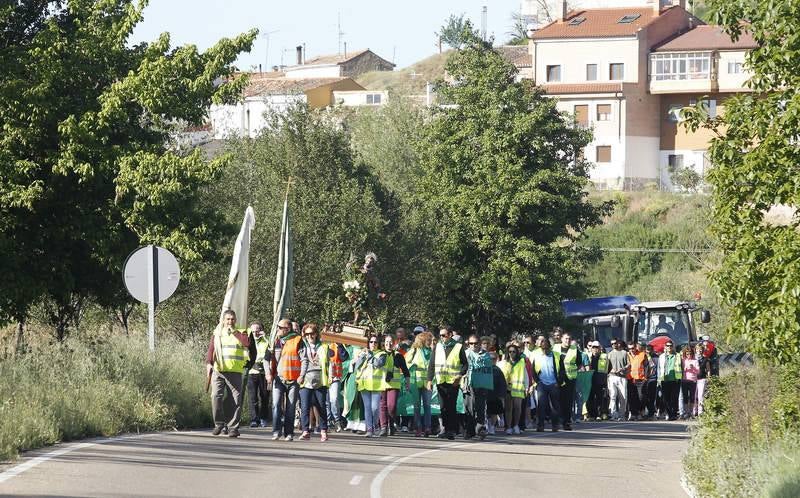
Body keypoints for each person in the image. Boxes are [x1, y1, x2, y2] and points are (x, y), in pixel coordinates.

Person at [206, 310, 250, 438]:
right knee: (216, 397)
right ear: (223, 320)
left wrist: (235, 332)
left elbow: (246, 343)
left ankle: (233, 427)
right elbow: (211, 349)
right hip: (219, 370)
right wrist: (209, 363)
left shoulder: (241, 332)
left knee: (235, 400)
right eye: (227, 319)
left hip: (235, 371)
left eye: (232, 319)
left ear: (235, 320)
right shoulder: (217, 333)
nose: (230, 321)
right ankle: (219, 423)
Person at [427, 326, 467, 440]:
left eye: (444, 335)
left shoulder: (458, 347)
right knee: (443, 407)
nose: (441, 337)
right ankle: (444, 427)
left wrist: (459, 376)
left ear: (450, 335)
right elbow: (432, 364)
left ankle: (451, 430)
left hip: (453, 382)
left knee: (451, 406)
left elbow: (465, 364)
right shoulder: (438, 346)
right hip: (440, 381)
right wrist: (429, 380)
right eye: (440, 335)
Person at [267, 318, 304, 441]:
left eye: (280, 327)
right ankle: (276, 431)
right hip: (279, 378)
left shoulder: (298, 340)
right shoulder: (274, 341)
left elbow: (304, 360)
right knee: (276, 405)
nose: (277, 329)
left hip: (293, 379)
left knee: (291, 407)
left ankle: (289, 433)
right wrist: (268, 373)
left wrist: (302, 375)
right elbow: (266, 358)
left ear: (287, 329)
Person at [297, 323, 332, 441]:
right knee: (305, 406)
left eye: (311, 334)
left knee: (321, 406)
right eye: (307, 334)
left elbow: (329, 363)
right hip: (306, 379)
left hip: (320, 379)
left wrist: (330, 377)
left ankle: (323, 431)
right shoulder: (302, 346)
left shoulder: (324, 347)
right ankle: (306, 430)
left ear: (316, 334)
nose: (309, 336)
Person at [355, 334, 387, 437]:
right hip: (364, 384)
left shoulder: (382, 354)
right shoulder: (363, 353)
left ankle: (375, 426)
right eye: (371, 342)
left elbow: (379, 364)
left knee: (375, 408)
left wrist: (370, 356)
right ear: (368, 343)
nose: (373, 344)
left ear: (378, 344)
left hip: (376, 385)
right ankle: (369, 429)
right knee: (367, 408)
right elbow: (357, 366)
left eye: (375, 342)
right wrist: (362, 356)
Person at [379, 333, 410, 437]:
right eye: (387, 342)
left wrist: (407, 382)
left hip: (394, 384)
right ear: (384, 343)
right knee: (383, 406)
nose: (388, 344)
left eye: (390, 342)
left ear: (394, 343)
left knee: (391, 406)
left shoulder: (398, 355)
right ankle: (384, 427)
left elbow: (406, 371)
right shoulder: (380, 354)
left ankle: (391, 425)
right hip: (381, 384)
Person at [463, 334, 493, 440]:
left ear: (479, 344)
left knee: (480, 407)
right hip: (468, 385)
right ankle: (469, 431)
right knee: (469, 408)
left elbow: (488, 369)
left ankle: (480, 429)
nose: (473, 345)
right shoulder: (465, 354)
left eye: (476, 343)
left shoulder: (486, 355)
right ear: (468, 344)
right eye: (471, 343)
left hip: (481, 385)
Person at [531, 337, 563, 432]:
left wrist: (558, 382)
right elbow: (533, 370)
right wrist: (538, 382)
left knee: (555, 406)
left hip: (554, 384)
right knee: (541, 405)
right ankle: (540, 425)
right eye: (542, 347)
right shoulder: (537, 356)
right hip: (542, 384)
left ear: (549, 346)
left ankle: (555, 425)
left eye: (546, 346)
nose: (544, 349)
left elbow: (562, 370)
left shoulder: (556, 355)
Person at [406, 331, 433, 437]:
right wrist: (413, 365)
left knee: (427, 404)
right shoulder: (414, 350)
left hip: (427, 381)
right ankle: (418, 427)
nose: (430, 342)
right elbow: (406, 363)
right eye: (428, 340)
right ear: (422, 340)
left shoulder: (432, 351)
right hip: (416, 380)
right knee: (417, 405)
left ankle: (427, 427)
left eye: (431, 340)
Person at [553, 332, 581, 430]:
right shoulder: (555, 348)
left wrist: (571, 371)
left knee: (568, 401)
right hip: (557, 377)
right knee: (557, 400)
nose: (567, 340)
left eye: (569, 339)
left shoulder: (575, 349)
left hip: (570, 378)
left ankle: (566, 422)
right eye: (566, 338)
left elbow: (579, 363)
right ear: (561, 339)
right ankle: (557, 421)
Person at [246, 321, 270, 428]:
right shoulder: (248, 341)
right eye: (253, 331)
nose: (255, 333)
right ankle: (254, 419)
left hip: (264, 372)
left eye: (258, 331)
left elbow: (272, 349)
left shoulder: (266, 340)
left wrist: (266, 338)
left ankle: (263, 418)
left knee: (264, 397)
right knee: (253, 397)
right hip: (252, 372)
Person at [607, 338, 630, 421]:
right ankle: (613, 414)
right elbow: (607, 366)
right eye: (612, 344)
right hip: (612, 377)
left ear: (618, 343)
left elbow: (629, 364)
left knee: (623, 397)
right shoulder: (609, 354)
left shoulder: (624, 353)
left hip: (622, 377)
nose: (614, 345)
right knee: (612, 396)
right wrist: (610, 370)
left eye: (615, 343)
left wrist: (622, 368)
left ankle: (622, 415)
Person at [658, 341, 682, 420]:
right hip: (665, 380)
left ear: (673, 346)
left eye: (671, 346)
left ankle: (674, 414)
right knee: (666, 398)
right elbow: (659, 368)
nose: (669, 347)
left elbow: (682, 366)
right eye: (667, 346)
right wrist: (659, 380)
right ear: (665, 347)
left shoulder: (678, 355)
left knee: (674, 398)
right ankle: (669, 413)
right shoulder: (661, 356)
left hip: (675, 379)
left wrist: (681, 377)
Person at [586, 341, 609, 420]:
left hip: (600, 380)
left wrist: (604, 378)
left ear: (600, 348)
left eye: (597, 347)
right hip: (590, 380)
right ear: (591, 349)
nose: (595, 349)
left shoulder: (605, 356)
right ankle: (592, 415)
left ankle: (599, 414)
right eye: (593, 347)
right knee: (590, 398)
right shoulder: (588, 356)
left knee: (600, 398)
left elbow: (609, 367)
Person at [486, 352, 507, 435]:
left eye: (494, 359)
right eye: (490, 359)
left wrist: (501, 395)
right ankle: (486, 425)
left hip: (495, 395)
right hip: (485, 394)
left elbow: (502, 383)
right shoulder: (483, 368)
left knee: (494, 412)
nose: (492, 360)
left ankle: (492, 427)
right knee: (486, 412)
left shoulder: (498, 370)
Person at [628, 341, 648, 421]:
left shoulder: (642, 354)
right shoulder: (627, 355)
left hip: (640, 379)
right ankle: (633, 413)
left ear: (635, 347)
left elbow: (647, 366)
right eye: (629, 348)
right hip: (630, 379)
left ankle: (640, 412)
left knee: (641, 397)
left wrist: (646, 377)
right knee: (632, 397)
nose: (631, 350)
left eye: (633, 348)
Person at [680, 345, 699, 419]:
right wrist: (685, 368)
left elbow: (698, 371)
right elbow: (680, 370)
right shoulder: (683, 360)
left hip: (693, 380)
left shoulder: (695, 361)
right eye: (687, 353)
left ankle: (691, 412)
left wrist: (693, 368)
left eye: (690, 353)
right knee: (685, 396)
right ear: (685, 354)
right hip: (684, 380)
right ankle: (685, 412)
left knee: (692, 396)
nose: (689, 355)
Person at [695, 342, 710, 416]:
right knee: (694, 396)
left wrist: (709, 378)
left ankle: (700, 411)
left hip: (702, 379)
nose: (699, 351)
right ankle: (694, 411)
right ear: (696, 350)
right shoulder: (693, 358)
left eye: (701, 350)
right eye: (698, 349)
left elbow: (708, 370)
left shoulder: (705, 359)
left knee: (700, 395)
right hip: (693, 379)